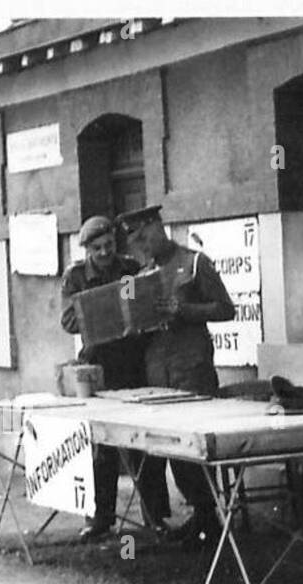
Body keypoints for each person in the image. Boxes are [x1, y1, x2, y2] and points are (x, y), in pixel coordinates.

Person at [116, 204, 236, 543]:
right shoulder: (142, 275)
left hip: (192, 369)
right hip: (158, 373)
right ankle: (194, 520)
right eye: (136, 243)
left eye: (145, 237)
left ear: (158, 227)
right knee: (168, 449)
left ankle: (207, 518)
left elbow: (226, 309)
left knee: (194, 448)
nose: (143, 247)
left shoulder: (196, 262)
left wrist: (183, 310)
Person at [60, 215, 169, 539]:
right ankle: (101, 516)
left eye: (109, 245)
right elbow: (67, 321)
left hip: (133, 362)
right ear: (87, 250)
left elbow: (148, 304)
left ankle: (155, 515)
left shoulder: (131, 268)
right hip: (98, 367)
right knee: (102, 444)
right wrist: (100, 308)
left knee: (144, 442)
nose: (105, 252)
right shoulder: (75, 277)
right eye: (98, 248)